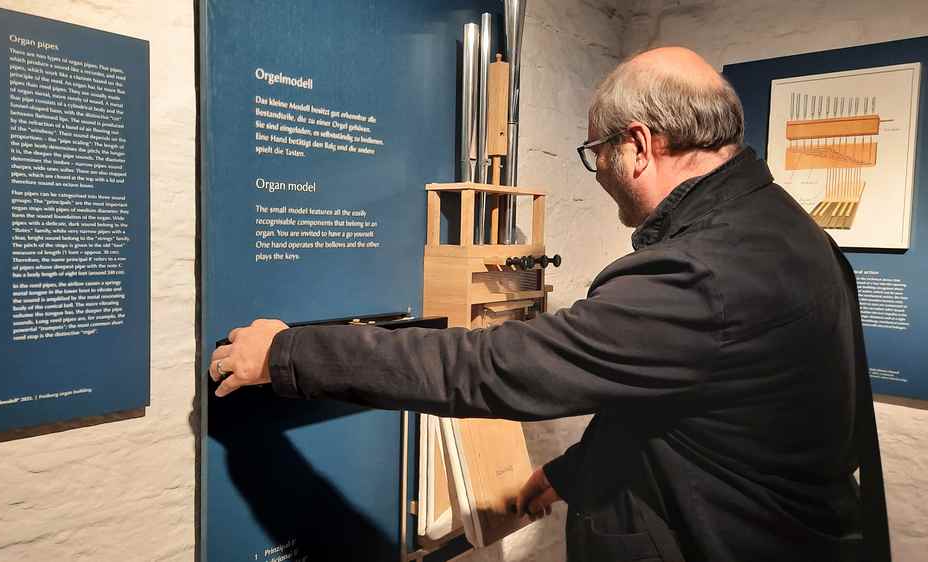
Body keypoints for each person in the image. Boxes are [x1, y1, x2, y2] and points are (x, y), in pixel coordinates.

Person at [209, 47, 888, 562]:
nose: (599, 177)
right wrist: (575, 470)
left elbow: (492, 367)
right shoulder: (790, 231)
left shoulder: (700, 271)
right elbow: (700, 404)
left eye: (598, 154)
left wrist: (288, 351)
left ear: (639, 145)